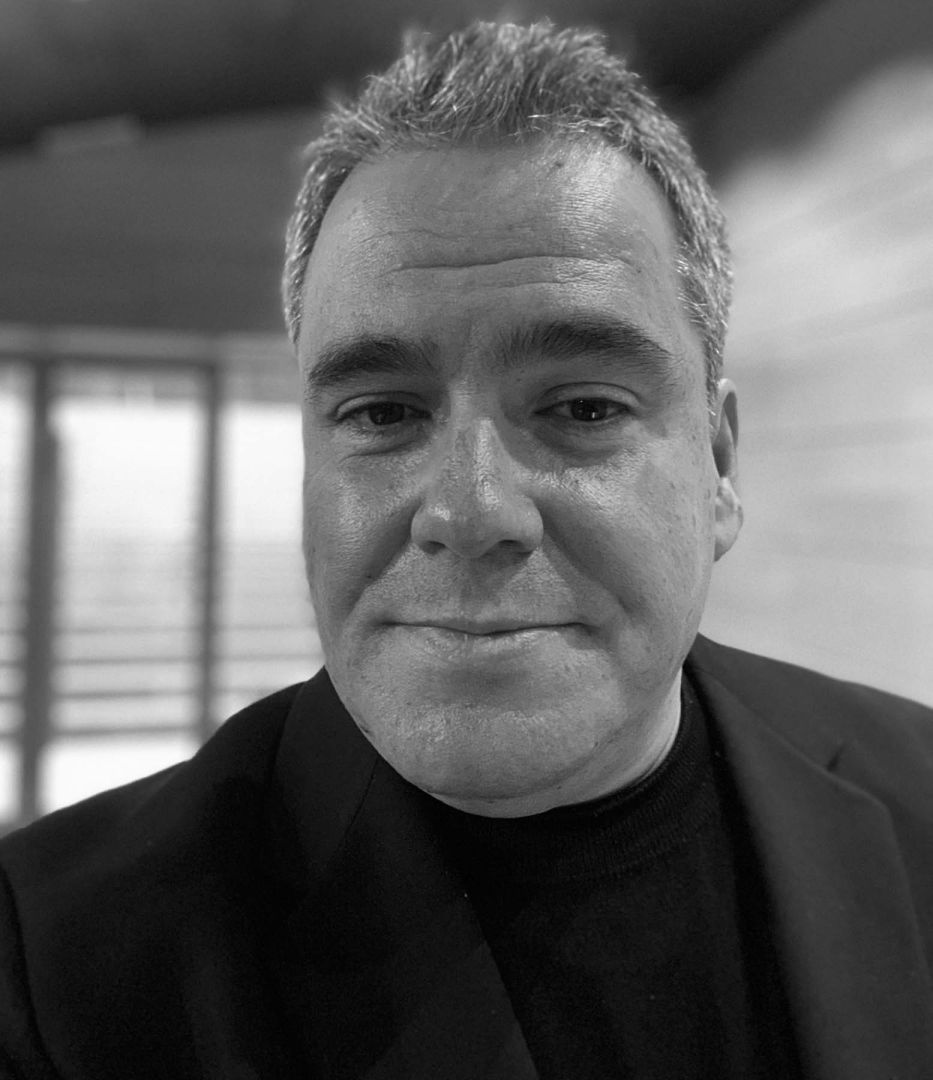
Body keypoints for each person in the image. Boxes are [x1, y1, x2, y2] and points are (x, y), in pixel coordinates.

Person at [1, 19, 932, 1080]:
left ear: (718, 466)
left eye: (583, 408)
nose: (473, 509)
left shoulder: (919, 789)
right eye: (383, 413)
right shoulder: (57, 968)